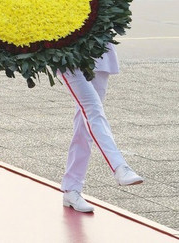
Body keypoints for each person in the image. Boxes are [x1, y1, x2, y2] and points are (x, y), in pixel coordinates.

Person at [60, 43, 144, 212]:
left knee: (84, 124)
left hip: (100, 52)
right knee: (93, 110)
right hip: (67, 52)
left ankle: (71, 188)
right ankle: (119, 167)